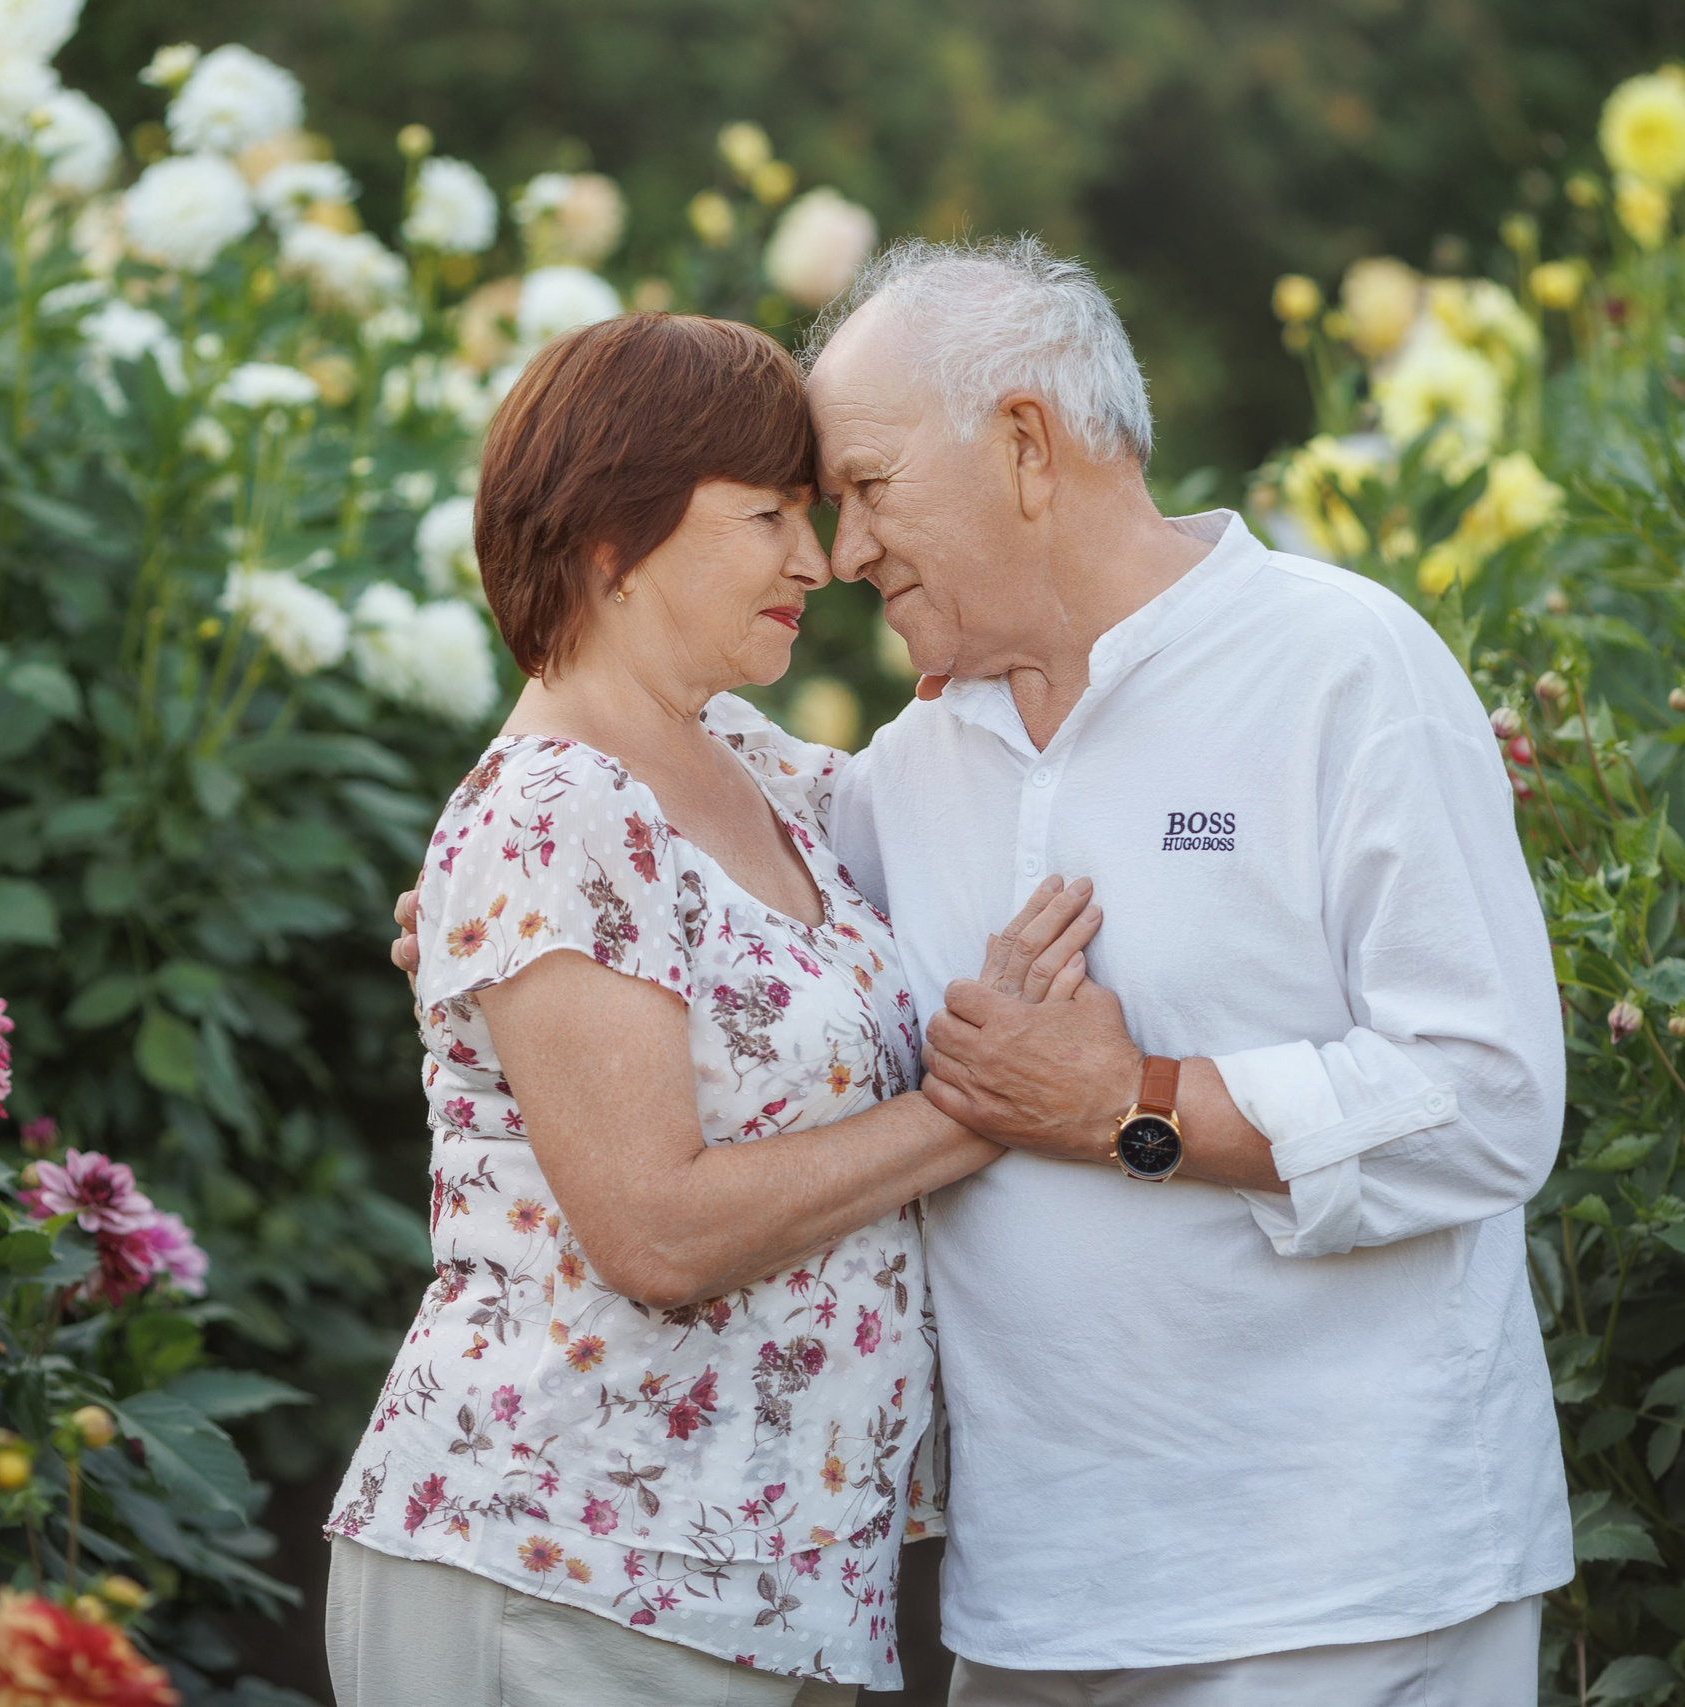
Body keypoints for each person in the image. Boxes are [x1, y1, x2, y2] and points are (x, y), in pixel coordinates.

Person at [397, 239, 1571, 1705]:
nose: (846, 554)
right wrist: (475, 910)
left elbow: (1492, 1096)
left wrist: (1137, 1103)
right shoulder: (906, 775)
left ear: (1025, 444)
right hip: (1027, 1611)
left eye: (869, 490)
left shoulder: (1342, 669)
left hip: (1342, 1589)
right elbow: (639, 844)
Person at [325, 311, 1099, 1707]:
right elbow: (657, 1231)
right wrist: (979, 1111)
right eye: (768, 518)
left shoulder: (752, 768)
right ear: (612, 535)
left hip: (768, 1589)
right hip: (563, 1567)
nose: (818, 560)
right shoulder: (554, 810)